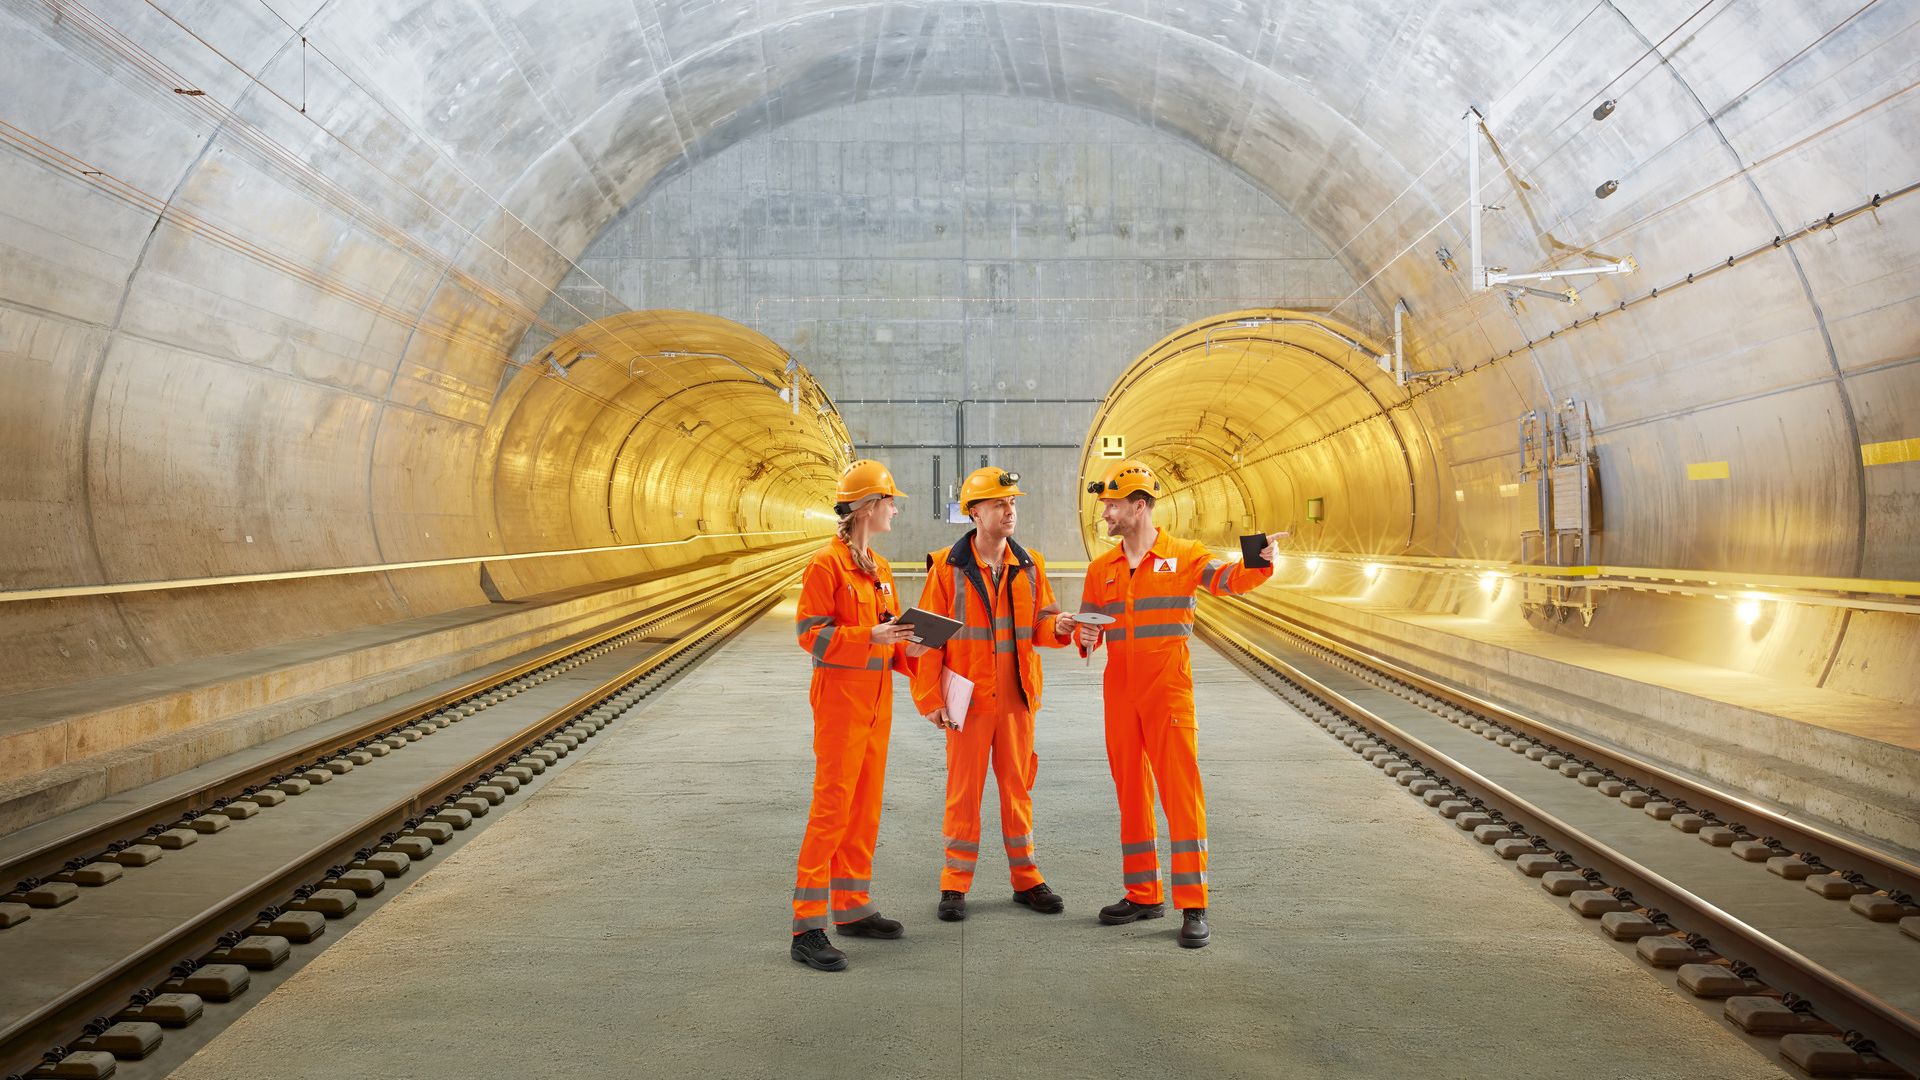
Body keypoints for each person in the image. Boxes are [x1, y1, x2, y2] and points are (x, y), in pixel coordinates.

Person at [1076, 459, 1286, 949]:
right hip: (1119, 695)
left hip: (1167, 691)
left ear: (1140, 506)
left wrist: (1261, 557)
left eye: (1112, 504)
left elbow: (1229, 580)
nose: (1104, 512)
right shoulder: (1100, 569)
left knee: (1179, 794)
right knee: (1131, 793)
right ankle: (1143, 893)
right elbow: (1089, 633)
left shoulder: (1185, 555)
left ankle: (1193, 903)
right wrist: (1084, 637)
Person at [911, 467, 1075, 923]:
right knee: (963, 792)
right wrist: (930, 698)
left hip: (1018, 699)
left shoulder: (1031, 564)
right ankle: (954, 882)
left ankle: (1026, 878)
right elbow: (926, 637)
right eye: (1000, 504)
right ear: (975, 513)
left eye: (1013, 503)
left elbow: (1041, 623)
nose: (1010, 511)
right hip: (969, 700)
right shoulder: (947, 567)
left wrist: (1057, 628)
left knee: (1018, 788)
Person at [788, 459, 925, 972]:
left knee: (864, 808)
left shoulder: (881, 569)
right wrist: (866, 637)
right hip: (841, 702)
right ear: (868, 507)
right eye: (890, 501)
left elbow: (889, 637)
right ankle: (807, 926)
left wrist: (922, 653)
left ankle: (850, 906)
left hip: (876, 701)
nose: (894, 509)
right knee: (832, 810)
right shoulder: (826, 566)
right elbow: (809, 633)